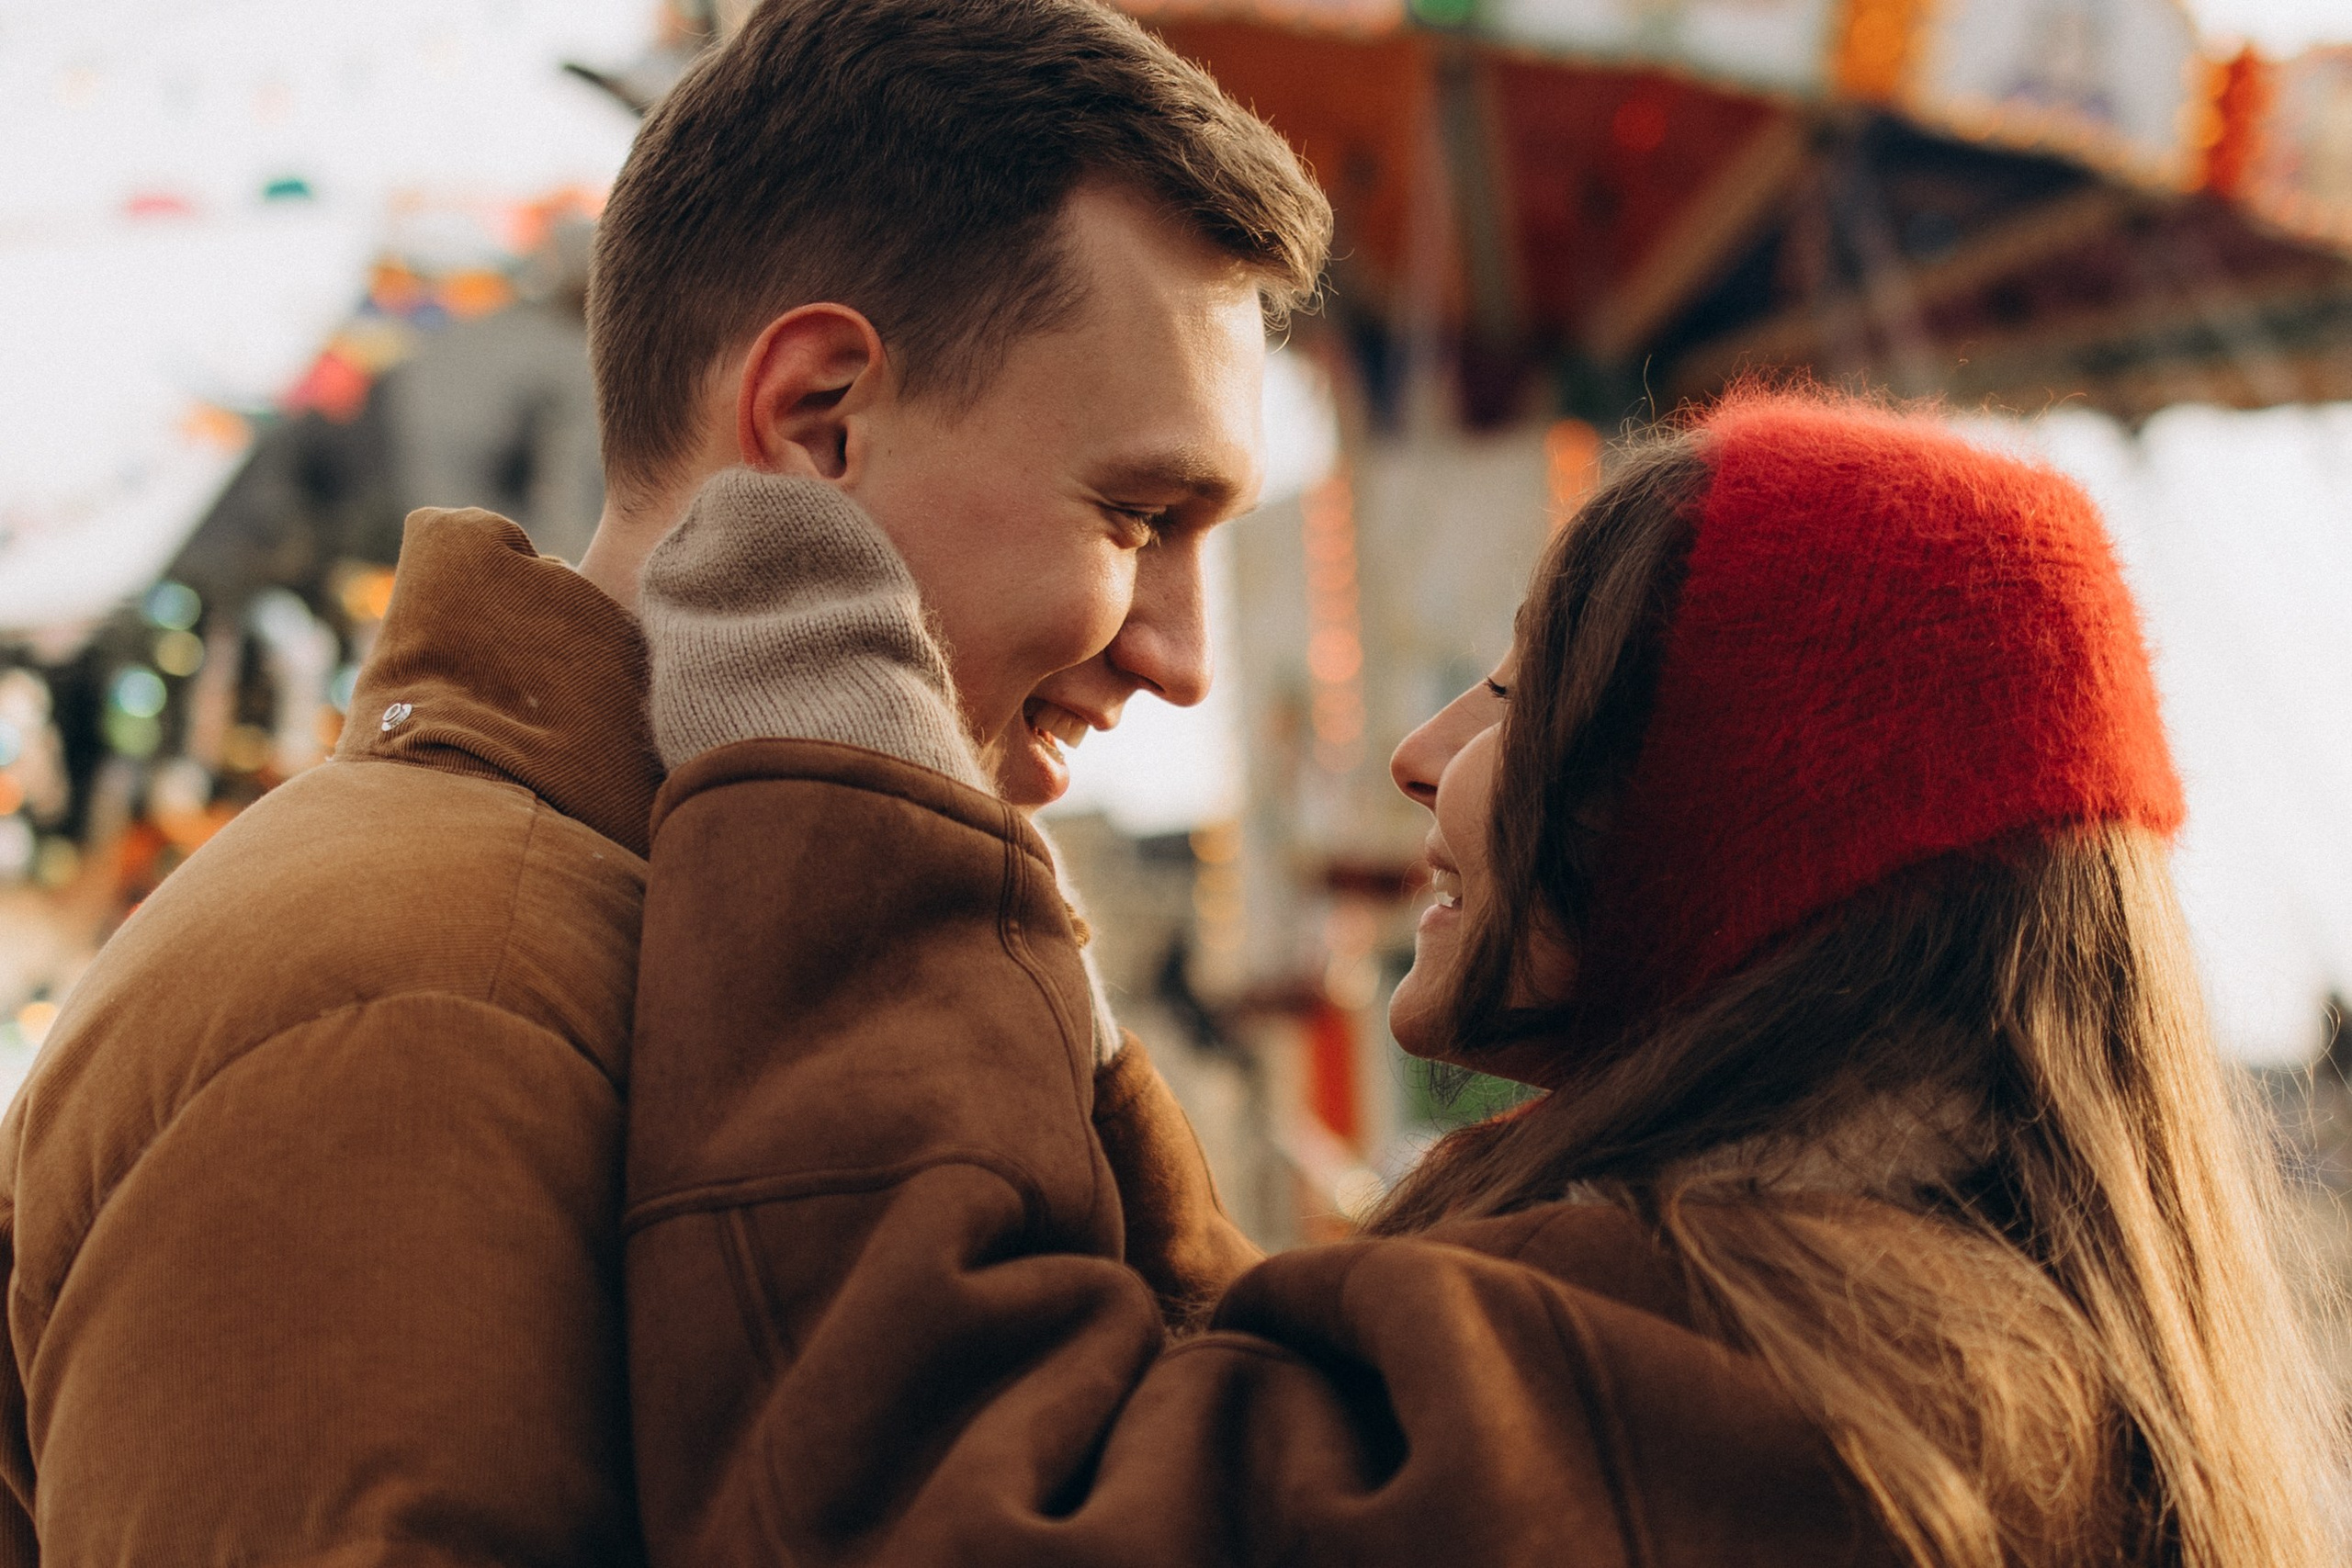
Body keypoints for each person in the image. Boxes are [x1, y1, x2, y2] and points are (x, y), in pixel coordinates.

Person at [0, 3, 1326, 1560]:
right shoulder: (435, 994)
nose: (1182, 660)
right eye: (1139, 516)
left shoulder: (725, 954)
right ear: (815, 424)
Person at [620, 392, 2342, 1567]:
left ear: (1706, 810)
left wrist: (827, 760)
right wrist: (1047, 1023)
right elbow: (1278, 1433)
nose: (1424, 755)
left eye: (1516, 698)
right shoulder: (1939, 1338)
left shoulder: (1743, 1368)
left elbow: (930, 1510)